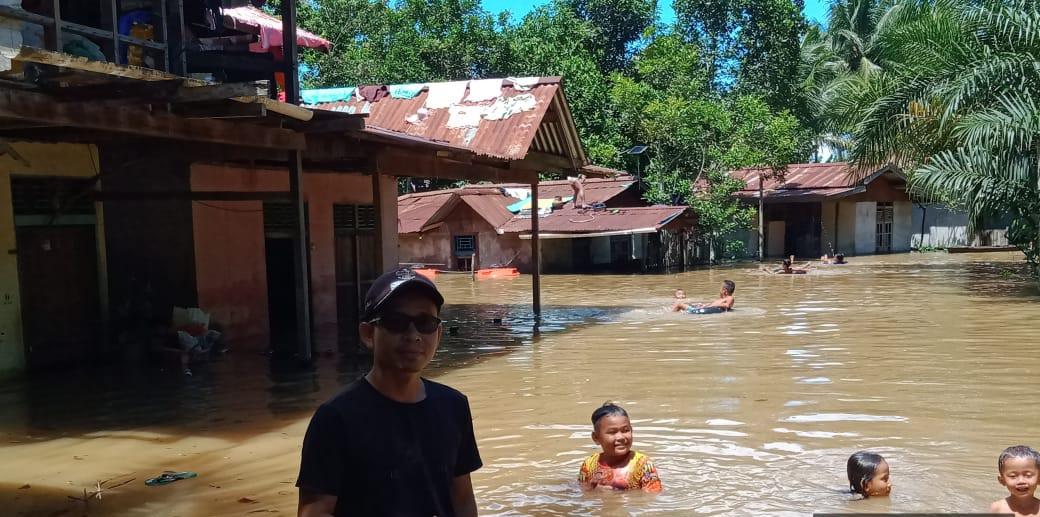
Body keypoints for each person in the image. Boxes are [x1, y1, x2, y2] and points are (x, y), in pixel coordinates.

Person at [297, 267, 481, 517]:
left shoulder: (454, 406)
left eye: (425, 323)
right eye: (396, 323)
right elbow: (315, 511)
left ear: (438, 334)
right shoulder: (335, 419)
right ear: (368, 334)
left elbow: (462, 499)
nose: (413, 335)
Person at [578, 403, 662, 493]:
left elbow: (653, 496)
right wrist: (591, 489)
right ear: (596, 438)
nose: (621, 437)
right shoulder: (589, 464)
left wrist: (616, 495)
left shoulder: (643, 464)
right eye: (612, 432)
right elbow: (580, 491)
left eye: (625, 430)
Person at [989, 445, 1040, 517]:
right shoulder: (997, 508)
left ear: (1039, 479)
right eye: (1013, 476)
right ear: (1002, 480)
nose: (1021, 481)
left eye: (1028, 475)